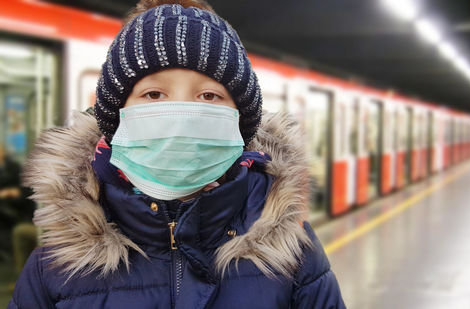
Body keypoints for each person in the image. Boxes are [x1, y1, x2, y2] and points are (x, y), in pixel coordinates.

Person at [9, 1, 346, 308]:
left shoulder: (295, 255)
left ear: (240, 123)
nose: (181, 115)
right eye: (153, 94)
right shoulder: (52, 270)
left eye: (210, 96)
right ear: (115, 118)